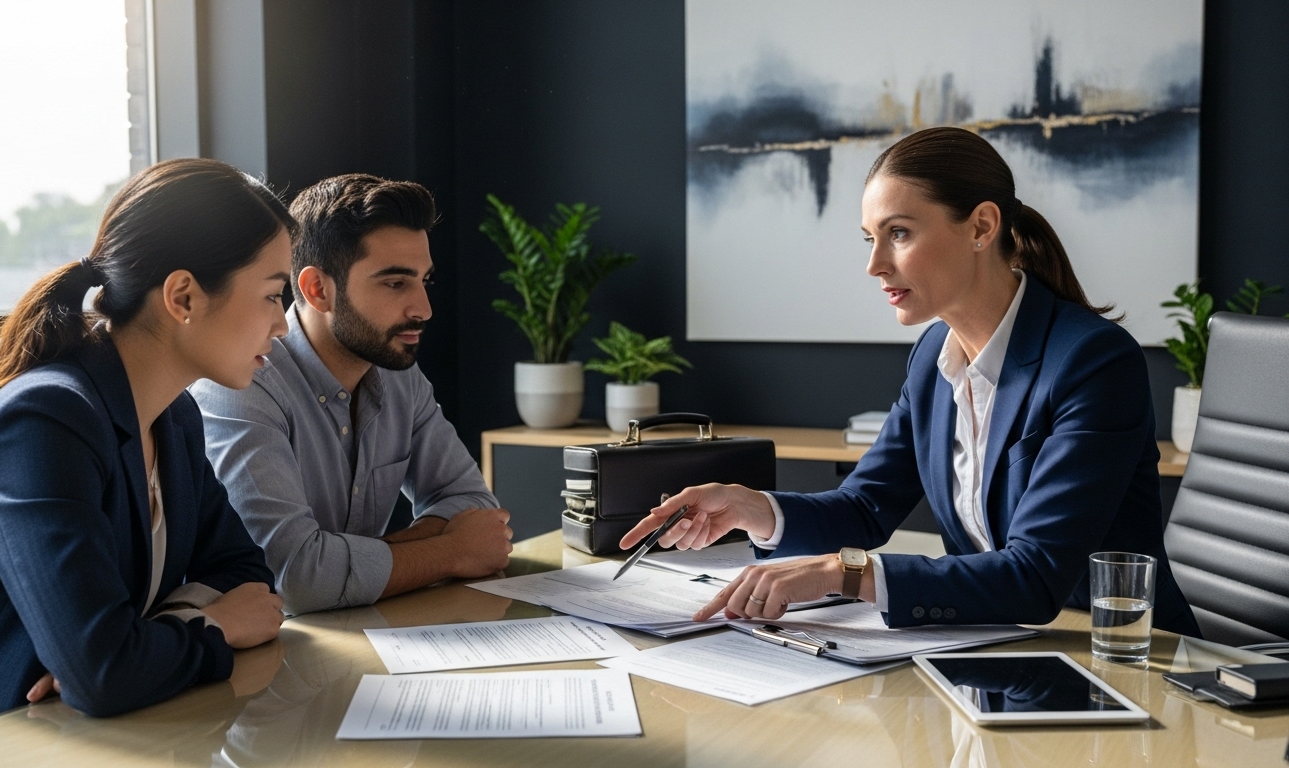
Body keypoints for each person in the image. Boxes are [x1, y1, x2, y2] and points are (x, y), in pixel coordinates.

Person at [621, 127, 1201, 636]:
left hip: (1122, 661)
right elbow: (866, 506)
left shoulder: (1093, 361)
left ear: (980, 226)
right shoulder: (932, 358)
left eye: (898, 233)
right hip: (1000, 650)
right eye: (870, 238)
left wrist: (843, 572)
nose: (875, 265)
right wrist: (750, 507)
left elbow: (1036, 574)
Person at [0, 158, 291, 747]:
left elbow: (248, 579)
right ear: (183, 297)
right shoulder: (45, 420)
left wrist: (152, 638)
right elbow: (104, 673)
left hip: (76, 740)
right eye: (274, 295)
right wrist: (212, 626)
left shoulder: (174, 417)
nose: (282, 325)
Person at [190, 173, 511, 615]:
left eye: (424, 281)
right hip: (258, 662)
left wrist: (348, 560)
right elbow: (295, 578)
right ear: (317, 289)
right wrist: (450, 552)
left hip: (356, 639)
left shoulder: (399, 373)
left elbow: (474, 506)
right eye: (395, 283)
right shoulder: (243, 386)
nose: (424, 309)